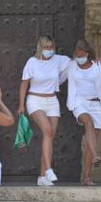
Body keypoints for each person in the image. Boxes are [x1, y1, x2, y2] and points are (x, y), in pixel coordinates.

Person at [17, 35, 71, 186]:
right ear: (41, 47)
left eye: (52, 47)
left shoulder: (59, 60)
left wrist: (96, 59)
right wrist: (21, 105)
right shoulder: (32, 62)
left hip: (52, 101)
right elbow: (24, 84)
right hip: (35, 100)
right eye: (47, 47)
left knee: (49, 137)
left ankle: (42, 177)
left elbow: (76, 62)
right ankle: (48, 169)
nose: (50, 50)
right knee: (47, 131)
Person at [66, 39, 101, 186]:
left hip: (96, 104)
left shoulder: (98, 65)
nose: (78, 57)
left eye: (81, 54)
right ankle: (96, 155)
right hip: (79, 102)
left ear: (87, 53)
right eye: (76, 54)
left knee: (91, 140)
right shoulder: (71, 65)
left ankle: (86, 177)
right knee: (88, 121)